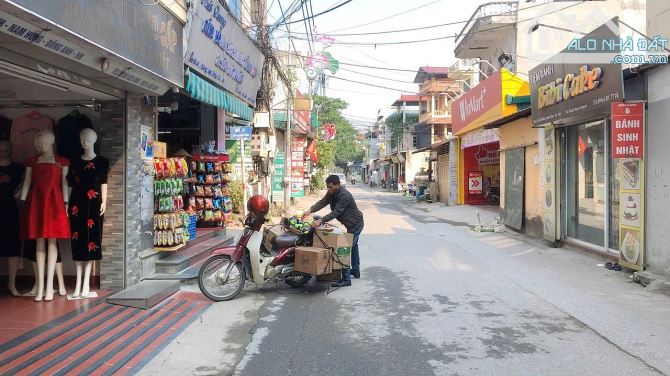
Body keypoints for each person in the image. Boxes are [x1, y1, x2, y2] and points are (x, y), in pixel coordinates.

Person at [302, 174, 364, 287]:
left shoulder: (344, 195)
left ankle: (346, 280)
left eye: (331, 187)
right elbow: (322, 202)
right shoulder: (331, 193)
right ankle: (355, 270)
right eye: (327, 187)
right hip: (350, 224)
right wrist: (310, 210)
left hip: (356, 224)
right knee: (353, 246)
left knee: (345, 249)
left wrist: (321, 220)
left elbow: (336, 212)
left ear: (338, 185)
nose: (329, 189)